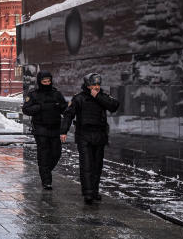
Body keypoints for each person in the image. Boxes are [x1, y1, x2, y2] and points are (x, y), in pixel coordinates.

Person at [60, 72, 120, 204]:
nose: (97, 86)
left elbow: (114, 106)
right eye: (94, 84)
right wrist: (63, 131)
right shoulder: (79, 98)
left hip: (99, 135)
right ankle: (88, 193)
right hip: (84, 136)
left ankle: (94, 191)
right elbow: (68, 115)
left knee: (97, 166)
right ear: (87, 85)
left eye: (98, 84)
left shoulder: (102, 96)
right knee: (86, 165)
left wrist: (98, 96)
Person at [22, 70, 67, 189]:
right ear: (39, 82)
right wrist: (40, 107)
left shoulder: (56, 94)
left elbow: (64, 108)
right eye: (44, 81)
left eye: (49, 81)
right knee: (43, 154)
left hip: (55, 128)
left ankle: (45, 171)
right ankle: (46, 181)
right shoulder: (33, 94)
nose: (47, 83)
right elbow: (26, 109)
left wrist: (63, 107)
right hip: (40, 128)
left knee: (56, 153)